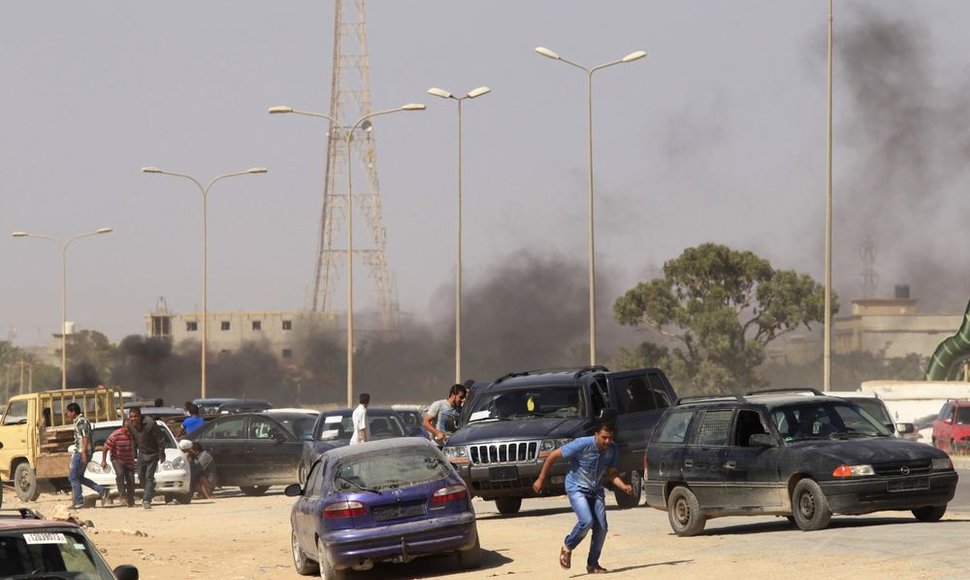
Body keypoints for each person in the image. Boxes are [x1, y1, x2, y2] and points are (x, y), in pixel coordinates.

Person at [532, 421, 632, 574]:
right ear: (596, 434)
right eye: (604, 437)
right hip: (576, 488)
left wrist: (623, 486)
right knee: (586, 521)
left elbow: (612, 474)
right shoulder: (582, 444)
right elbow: (553, 455)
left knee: (602, 528)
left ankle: (593, 564)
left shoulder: (612, 449)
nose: (607, 441)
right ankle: (567, 547)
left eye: (610, 438)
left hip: (596, 490)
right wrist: (541, 479)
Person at [65, 403, 110, 510]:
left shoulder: (82, 422)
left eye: (68, 412)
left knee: (73, 477)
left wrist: (84, 452)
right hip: (81, 452)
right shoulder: (79, 421)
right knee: (78, 477)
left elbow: (85, 437)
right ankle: (102, 491)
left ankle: (78, 501)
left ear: (73, 412)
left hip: (81, 453)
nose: (67, 414)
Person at [127, 407, 166, 509]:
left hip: (153, 454)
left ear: (140, 416)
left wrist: (162, 453)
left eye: (135, 416)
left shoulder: (150, 423)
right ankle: (150, 491)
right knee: (141, 476)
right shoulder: (130, 425)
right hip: (142, 454)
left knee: (149, 476)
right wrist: (133, 452)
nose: (133, 419)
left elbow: (160, 438)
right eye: (131, 417)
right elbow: (133, 439)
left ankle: (146, 500)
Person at [101, 420, 137, 507]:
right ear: (123, 428)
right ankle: (123, 496)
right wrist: (103, 460)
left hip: (129, 459)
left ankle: (131, 500)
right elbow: (105, 448)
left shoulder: (134, 435)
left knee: (131, 479)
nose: (129, 432)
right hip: (117, 459)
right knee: (120, 474)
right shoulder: (115, 435)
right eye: (127, 430)